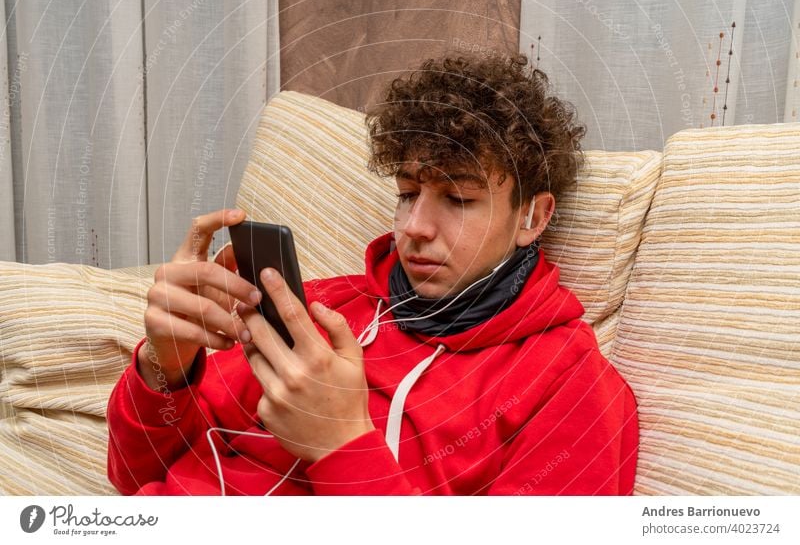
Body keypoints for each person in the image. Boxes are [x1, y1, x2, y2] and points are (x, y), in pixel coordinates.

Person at [107, 53, 639, 496]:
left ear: (533, 218)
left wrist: (339, 447)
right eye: (407, 193)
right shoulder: (319, 307)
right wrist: (164, 370)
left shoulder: (574, 389)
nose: (414, 227)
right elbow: (135, 475)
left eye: (457, 198)